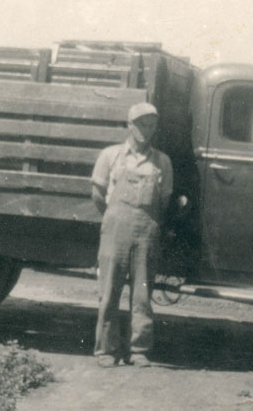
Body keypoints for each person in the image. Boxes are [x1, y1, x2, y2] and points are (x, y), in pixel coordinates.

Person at [90, 102, 173, 367]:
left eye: (151, 124)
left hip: (147, 231)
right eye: (141, 123)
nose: (146, 129)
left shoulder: (162, 161)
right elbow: (98, 196)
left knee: (142, 294)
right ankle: (106, 351)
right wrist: (116, 218)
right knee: (109, 290)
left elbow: (165, 201)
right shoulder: (110, 156)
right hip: (115, 228)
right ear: (130, 125)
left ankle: (139, 350)